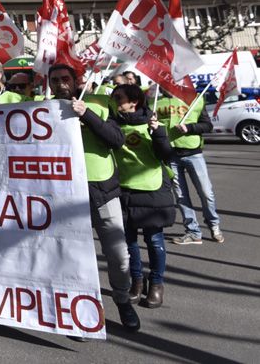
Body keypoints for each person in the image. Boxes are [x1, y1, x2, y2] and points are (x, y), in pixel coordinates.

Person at [49, 64, 140, 331]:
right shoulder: (43, 108)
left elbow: (116, 139)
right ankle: (84, 312)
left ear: (75, 80)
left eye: (65, 78)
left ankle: (123, 300)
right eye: (54, 80)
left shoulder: (99, 103)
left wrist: (86, 114)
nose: (60, 83)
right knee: (75, 256)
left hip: (102, 190)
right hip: (64, 194)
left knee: (118, 254)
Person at [111, 84, 177, 309]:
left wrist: (158, 132)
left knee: (154, 240)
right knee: (129, 242)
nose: (115, 101)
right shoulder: (112, 124)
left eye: (119, 97)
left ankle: (157, 283)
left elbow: (167, 155)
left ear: (134, 101)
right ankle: (137, 282)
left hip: (152, 189)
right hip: (123, 189)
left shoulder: (153, 121)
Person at [154, 90, 222, 245]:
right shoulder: (155, 101)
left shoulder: (195, 99)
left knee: (206, 192)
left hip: (193, 153)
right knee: (180, 196)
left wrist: (190, 128)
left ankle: (214, 225)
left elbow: (207, 125)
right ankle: (193, 232)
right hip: (170, 154)